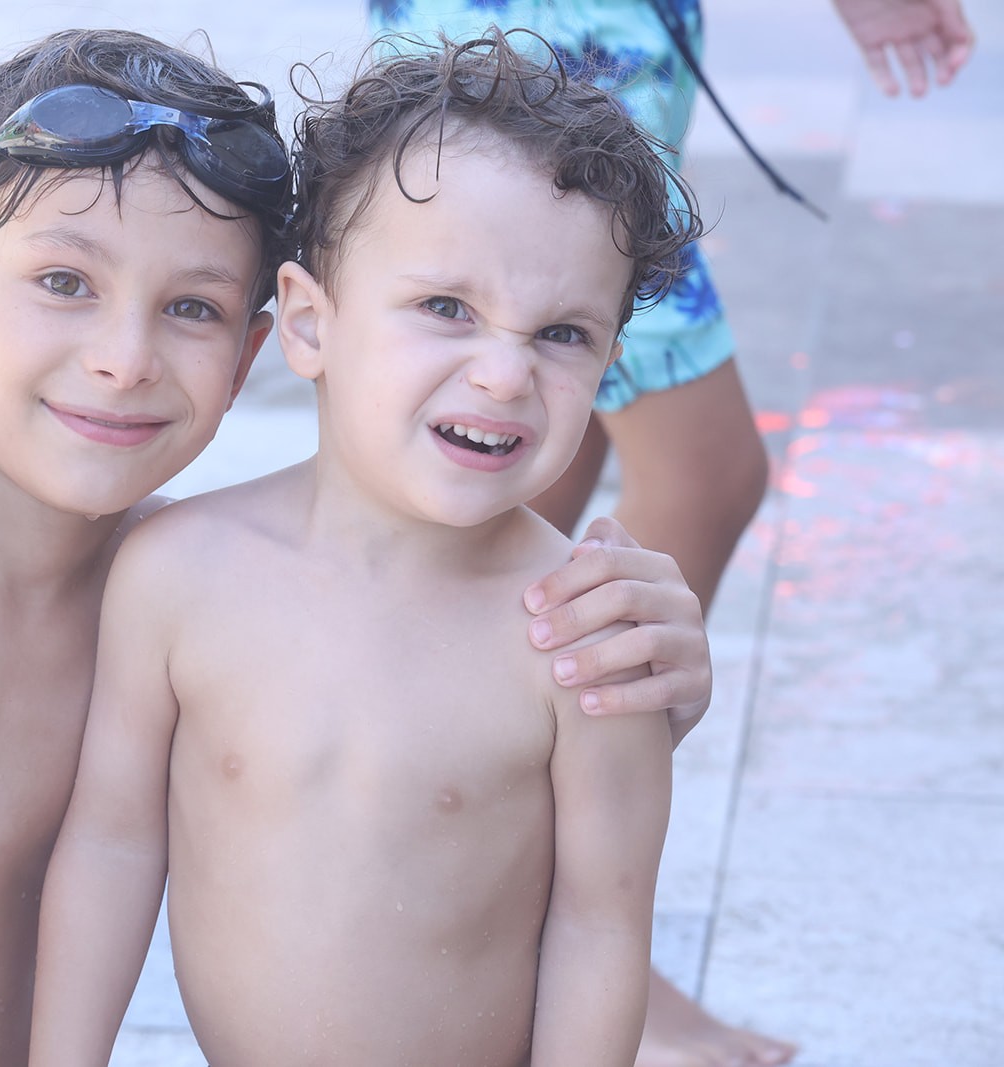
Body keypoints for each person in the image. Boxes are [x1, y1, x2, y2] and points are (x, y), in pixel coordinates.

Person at [0, 26, 715, 1067]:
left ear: (252, 352)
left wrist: (661, 663)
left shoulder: (177, 573)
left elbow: (450, 747)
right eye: (64, 281)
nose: (123, 358)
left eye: (192, 307)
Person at [30, 29, 707, 1067]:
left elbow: (600, 927)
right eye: (446, 307)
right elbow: (111, 844)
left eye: (561, 334)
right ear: (309, 324)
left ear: (608, 362)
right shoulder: (177, 574)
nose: (504, 375)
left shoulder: (578, 635)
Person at [355, 4, 976, 1066]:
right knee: (691, 462)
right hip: (541, 30)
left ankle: (483, 878)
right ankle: (520, 893)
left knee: (520, 477)